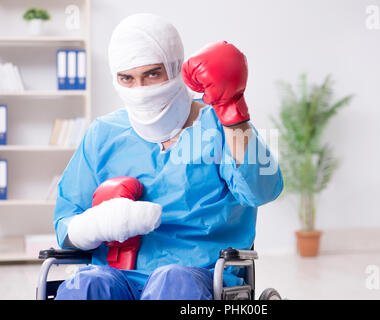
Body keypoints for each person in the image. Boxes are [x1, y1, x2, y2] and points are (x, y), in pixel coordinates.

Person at [53, 13, 283, 300]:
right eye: (127, 78)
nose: (140, 90)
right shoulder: (103, 134)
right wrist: (96, 225)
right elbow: (66, 221)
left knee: (172, 280)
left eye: (152, 74)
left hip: (200, 276)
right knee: (86, 285)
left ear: (176, 69)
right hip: (118, 276)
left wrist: (234, 112)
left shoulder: (218, 125)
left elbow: (263, 190)